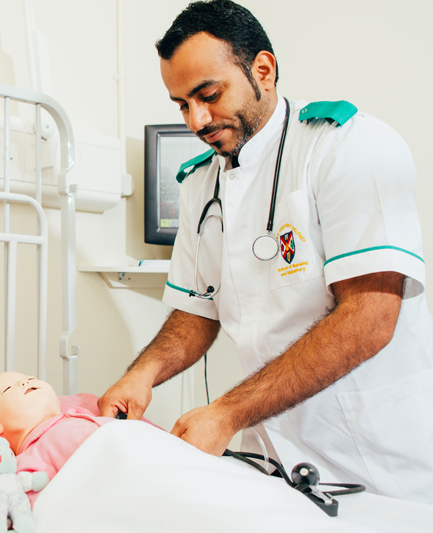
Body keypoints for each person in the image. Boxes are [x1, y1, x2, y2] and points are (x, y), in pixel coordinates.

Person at [98, 0, 433, 505]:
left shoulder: (346, 146)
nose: (197, 120)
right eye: (181, 104)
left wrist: (227, 413)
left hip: (376, 456)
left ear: (263, 69)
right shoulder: (199, 184)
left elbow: (370, 317)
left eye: (208, 95)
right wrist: (139, 375)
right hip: (273, 454)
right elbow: (195, 310)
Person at [0, 371, 115, 505]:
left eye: (31, 378)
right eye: (7, 389)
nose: (25, 382)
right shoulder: (30, 457)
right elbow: (28, 501)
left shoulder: (84, 416)